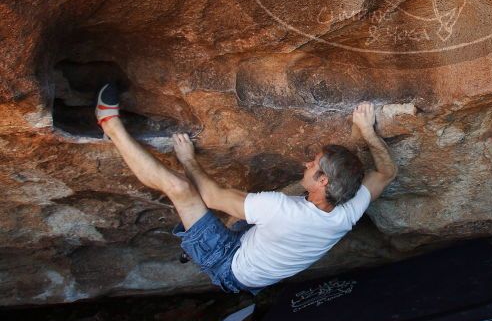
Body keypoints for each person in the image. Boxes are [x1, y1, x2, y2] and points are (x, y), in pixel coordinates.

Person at [95, 83, 397, 293]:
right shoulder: (348, 211)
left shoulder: (283, 210)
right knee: (253, 209)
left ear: (323, 181)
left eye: (313, 164)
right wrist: (367, 133)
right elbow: (387, 171)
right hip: (255, 263)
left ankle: (109, 124)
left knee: (181, 188)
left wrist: (187, 159)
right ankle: (201, 240)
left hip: (227, 266)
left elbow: (211, 196)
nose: (306, 163)